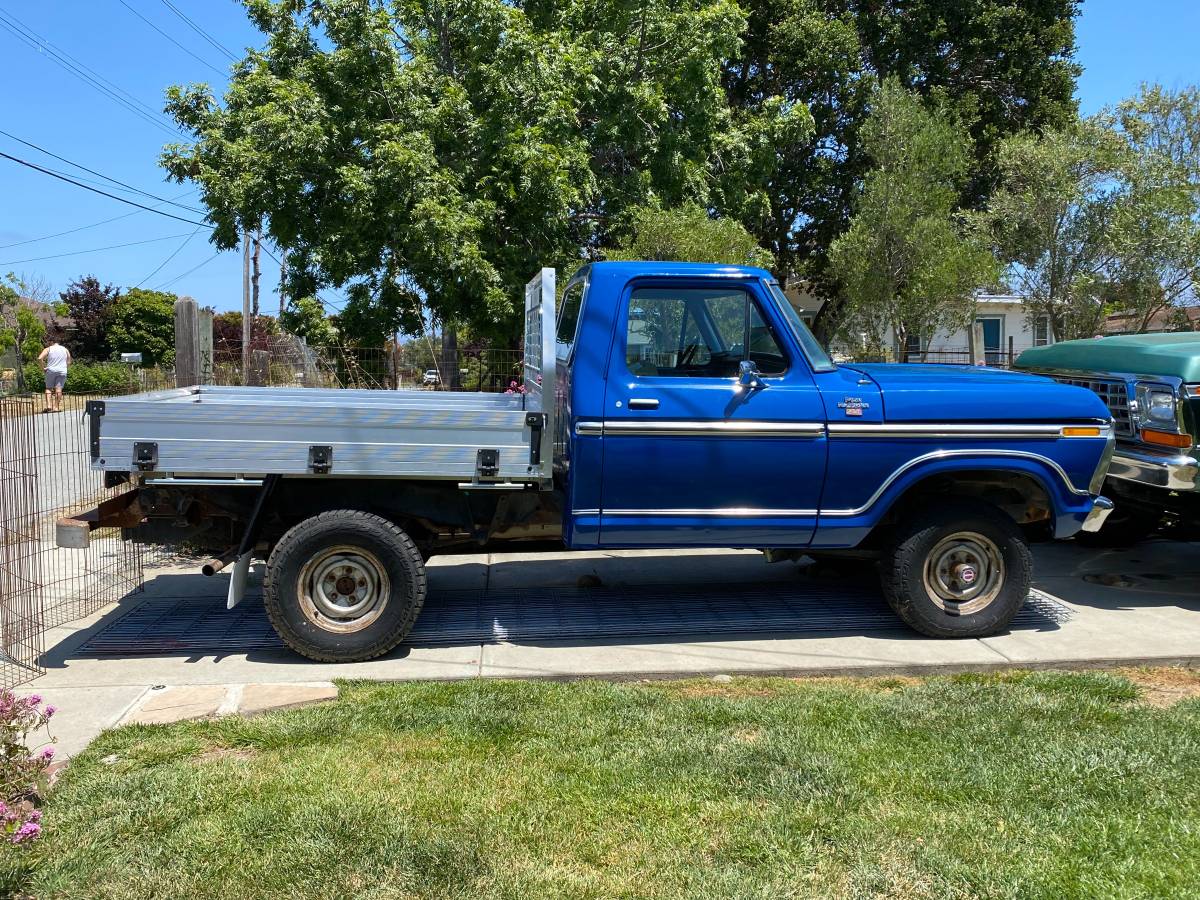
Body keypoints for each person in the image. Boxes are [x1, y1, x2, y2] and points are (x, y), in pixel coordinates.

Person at [37, 337, 70, 413]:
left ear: (51, 342)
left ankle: (49, 406)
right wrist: (65, 368)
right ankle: (56, 407)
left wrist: (43, 368)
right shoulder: (65, 349)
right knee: (59, 389)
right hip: (62, 371)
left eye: (48, 342)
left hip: (51, 370)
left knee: (48, 388)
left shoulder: (48, 349)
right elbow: (69, 361)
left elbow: (39, 358)